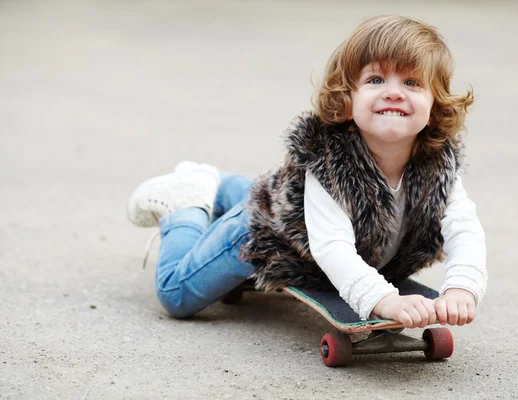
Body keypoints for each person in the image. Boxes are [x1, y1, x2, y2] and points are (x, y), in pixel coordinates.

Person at [126, 16, 487, 329]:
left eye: (411, 83)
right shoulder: (327, 163)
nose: (393, 93)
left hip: (301, 208)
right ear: (347, 100)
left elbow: (463, 228)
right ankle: (186, 203)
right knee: (176, 294)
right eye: (376, 80)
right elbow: (332, 247)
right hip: (269, 234)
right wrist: (383, 300)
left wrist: (462, 287)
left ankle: (217, 182)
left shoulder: (439, 167)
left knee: (274, 189)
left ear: (436, 107)